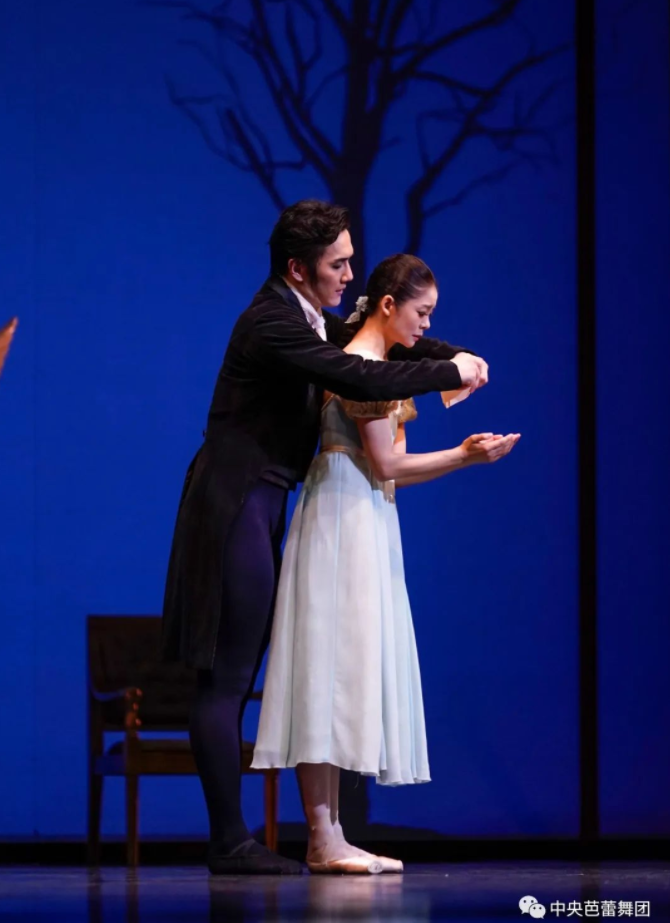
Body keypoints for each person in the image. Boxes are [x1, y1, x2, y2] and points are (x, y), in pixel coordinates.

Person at [162, 200, 488, 875]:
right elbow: (358, 372)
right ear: (297, 268)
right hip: (233, 498)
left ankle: (246, 839)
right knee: (226, 675)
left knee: (238, 672)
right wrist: (448, 373)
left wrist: (454, 354)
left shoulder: (311, 316)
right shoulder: (272, 322)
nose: (348, 276)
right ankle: (229, 841)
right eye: (337, 264)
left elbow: (376, 330)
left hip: (263, 496)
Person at [251, 254, 519, 874]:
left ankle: (330, 834)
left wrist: (460, 444)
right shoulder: (359, 368)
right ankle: (322, 835)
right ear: (390, 305)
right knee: (328, 667)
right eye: (422, 312)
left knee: (345, 666)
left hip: (368, 511)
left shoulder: (383, 369)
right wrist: (465, 456)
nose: (427, 325)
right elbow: (386, 464)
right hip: (341, 513)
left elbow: (392, 469)